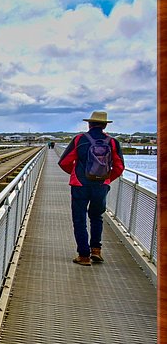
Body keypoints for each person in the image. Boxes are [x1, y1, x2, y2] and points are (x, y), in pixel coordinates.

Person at [57, 111, 124, 266]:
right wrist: (106, 179)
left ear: (89, 124)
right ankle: (96, 250)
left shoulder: (80, 139)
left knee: (79, 219)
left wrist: (76, 174)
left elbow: (64, 162)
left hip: (80, 185)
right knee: (97, 217)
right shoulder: (112, 142)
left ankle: (84, 256)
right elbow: (119, 167)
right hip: (101, 186)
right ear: (105, 125)